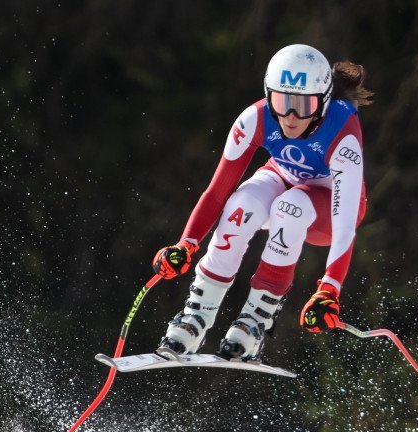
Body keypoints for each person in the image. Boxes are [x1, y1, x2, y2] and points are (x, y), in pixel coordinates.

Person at [152, 43, 373, 360]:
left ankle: (255, 321)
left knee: (290, 208)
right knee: (244, 203)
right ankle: (195, 318)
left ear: (323, 102)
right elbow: (217, 192)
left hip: (327, 209)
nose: (292, 116)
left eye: (304, 105)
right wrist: (185, 244)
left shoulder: (343, 130)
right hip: (284, 177)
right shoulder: (255, 118)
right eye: (282, 102)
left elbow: (345, 224)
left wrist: (330, 288)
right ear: (269, 95)